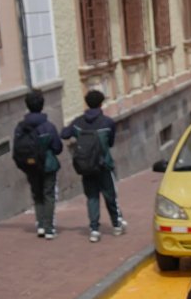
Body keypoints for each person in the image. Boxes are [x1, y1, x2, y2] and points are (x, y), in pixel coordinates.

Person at [61, 90, 125, 243]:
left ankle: (94, 230)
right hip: (104, 165)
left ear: (87, 103)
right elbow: (110, 142)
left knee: (92, 197)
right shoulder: (107, 123)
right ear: (101, 103)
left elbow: (64, 134)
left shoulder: (78, 122)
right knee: (110, 196)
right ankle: (116, 225)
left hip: (86, 167)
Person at [13, 90, 63, 239]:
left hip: (31, 166)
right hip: (48, 165)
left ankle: (40, 225)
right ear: (42, 105)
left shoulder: (20, 127)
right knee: (49, 194)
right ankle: (49, 228)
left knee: (37, 194)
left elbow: (17, 147)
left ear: (27, 106)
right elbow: (57, 148)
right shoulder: (48, 126)